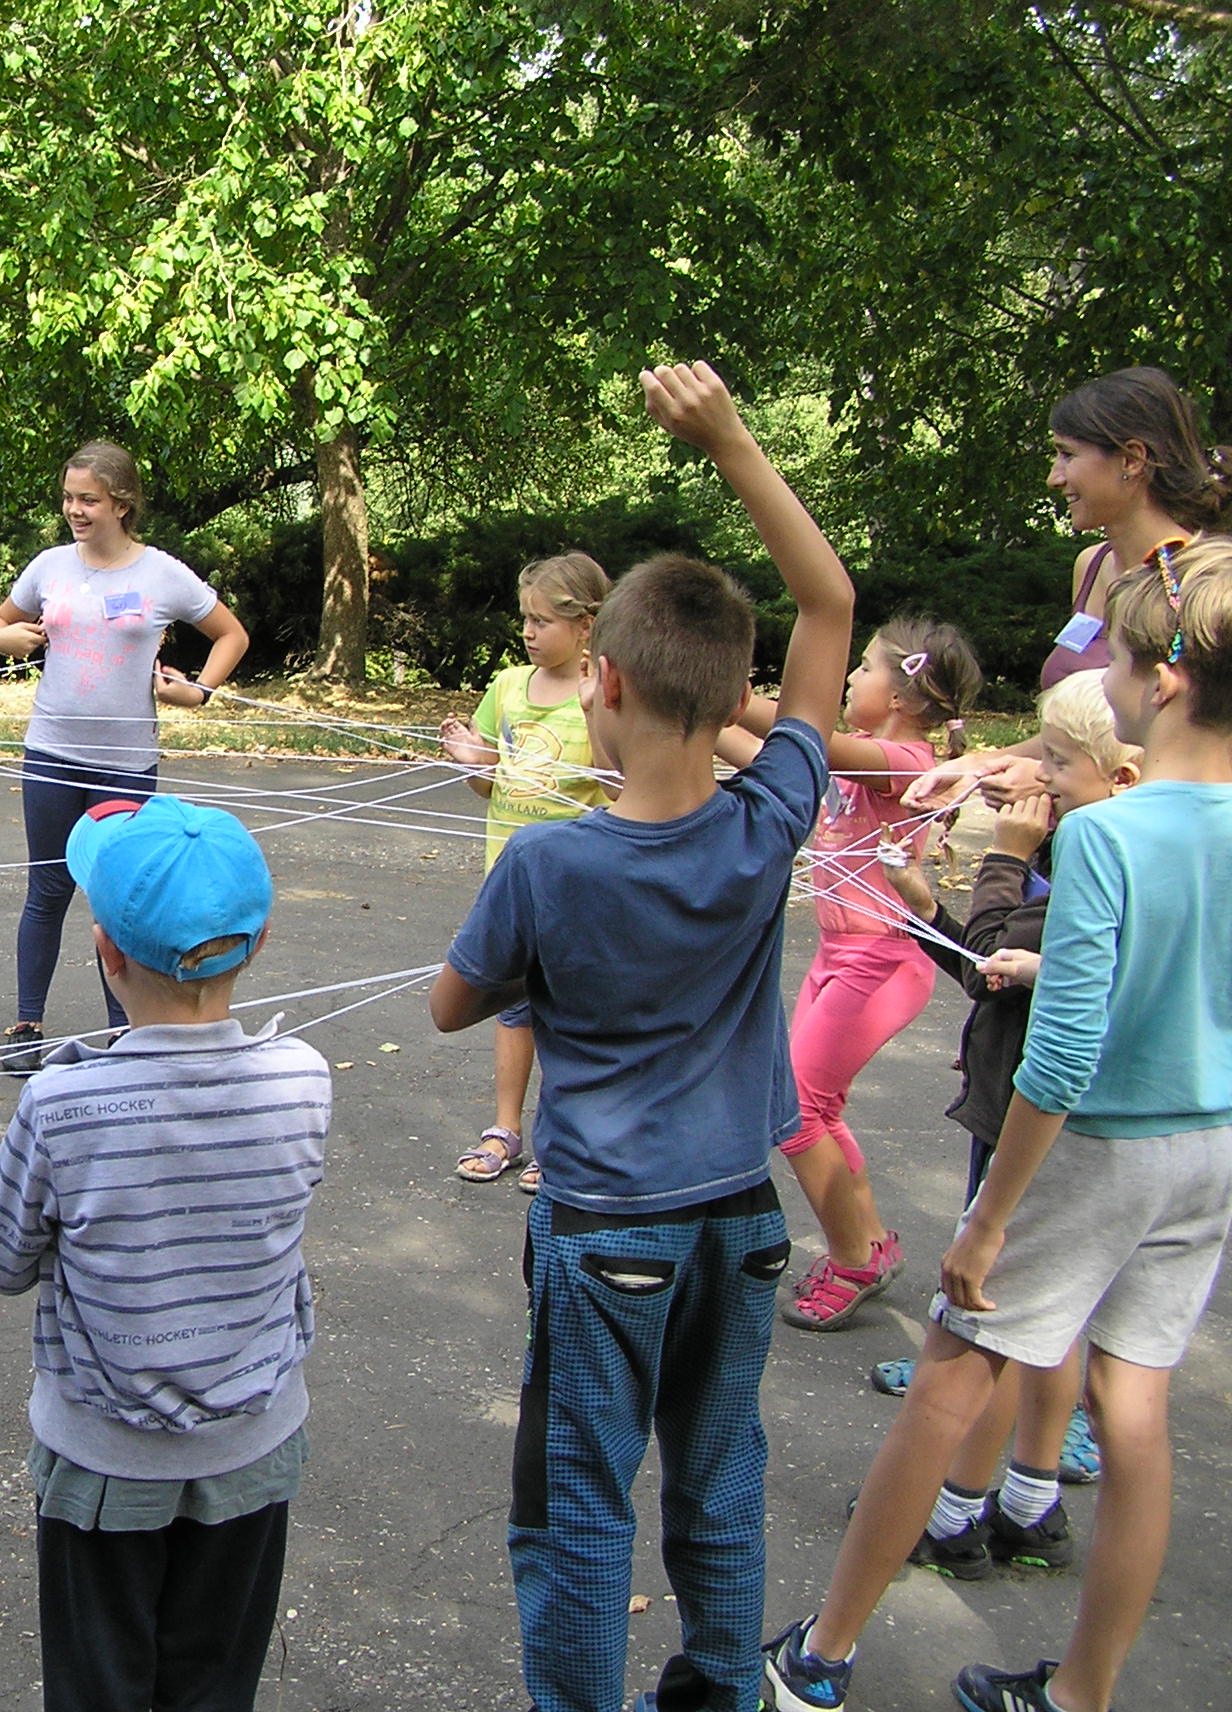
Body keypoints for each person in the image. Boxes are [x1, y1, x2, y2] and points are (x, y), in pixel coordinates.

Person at [431, 360, 855, 1712]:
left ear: (600, 679)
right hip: (741, 1222)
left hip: (607, 1228)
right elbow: (829, 605)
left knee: (577, 1503)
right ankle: (722, 1687)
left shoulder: (546, 867)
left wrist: (528, 968)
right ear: (732, 699)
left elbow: (451, 1003)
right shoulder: (768, 816)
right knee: (719, 1476)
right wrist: (731, 441)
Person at [764, 539, 1232, 1712]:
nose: (1099, 673)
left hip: (1094, 1147)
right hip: (1204, 1148)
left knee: (947, 1374)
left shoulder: (1108, 834)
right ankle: (1079, 1691)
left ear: (1164, 681)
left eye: (1115, 658)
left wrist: (987, 1219)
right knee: (1132, 1409)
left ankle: (818, 1655)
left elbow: (1061, 1059)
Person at [0, 793, 329, 1712]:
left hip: (104, 1463)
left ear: (106, 953)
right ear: (259, 940)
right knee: (214, 1686)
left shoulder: (63, 1101)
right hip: (251, 1452)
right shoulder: (304, 1077)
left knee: (98, 1688)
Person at [867, 670, 1141, 1584]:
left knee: (990, 1328)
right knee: (1051, 1321)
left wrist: (1004, 857)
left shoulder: (1088, 870)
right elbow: (989, 972)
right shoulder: (1104, 854)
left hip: (1028, 1121)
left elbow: (995, 955)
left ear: (1121, 777)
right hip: (1056, 1117)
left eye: (1058, 763)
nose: (1039, 777)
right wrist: (925, 909)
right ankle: (1030, 1503)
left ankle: (953, 1516)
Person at [715, 618, 981, 1331]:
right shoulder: (860, 758)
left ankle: (853, 1258)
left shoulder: (903, 760)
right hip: (840, 955)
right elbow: (766, 755)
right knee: (813, 1107)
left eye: (863, 668)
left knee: (797, 1110)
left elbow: (808, 737)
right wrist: (699, 713)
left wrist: (727, 693)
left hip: (883, 960)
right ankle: (867, 1243)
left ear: (902, 696)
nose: (851, 678)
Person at [0, 441, 249, 1073]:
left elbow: (231, 634)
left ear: (122, 505)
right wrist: (6, 637)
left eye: (89, 500)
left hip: (124, 763)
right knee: (48, 889)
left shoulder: (161, 574)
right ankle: (27, 1026)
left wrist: (198, 692)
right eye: (69, 498)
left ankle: (124, 1034)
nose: (75, 510)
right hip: (51, 752)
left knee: (119, 896)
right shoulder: (49, 566)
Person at [912, 365, 1226, 811]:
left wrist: (1051, 781)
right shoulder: (1091, 566)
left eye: (1067, 455)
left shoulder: (1205, 587)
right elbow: (1084, 730)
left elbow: (1202, 755)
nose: (1054, 478)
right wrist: (982, 765)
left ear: (1132, 459)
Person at [438, 551, 612, 1194]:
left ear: (587, 625)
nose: (529, 632)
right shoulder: (509, 686)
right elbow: (489, 783)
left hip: (578, 889)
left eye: (543, 621)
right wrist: (469, 758)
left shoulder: (606, 693)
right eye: (526, 619)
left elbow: (618, 790)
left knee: (567, 1009)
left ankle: (560, 1137)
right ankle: (505, 1129)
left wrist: (596, 711)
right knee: (513, 1007)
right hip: (510, 883)